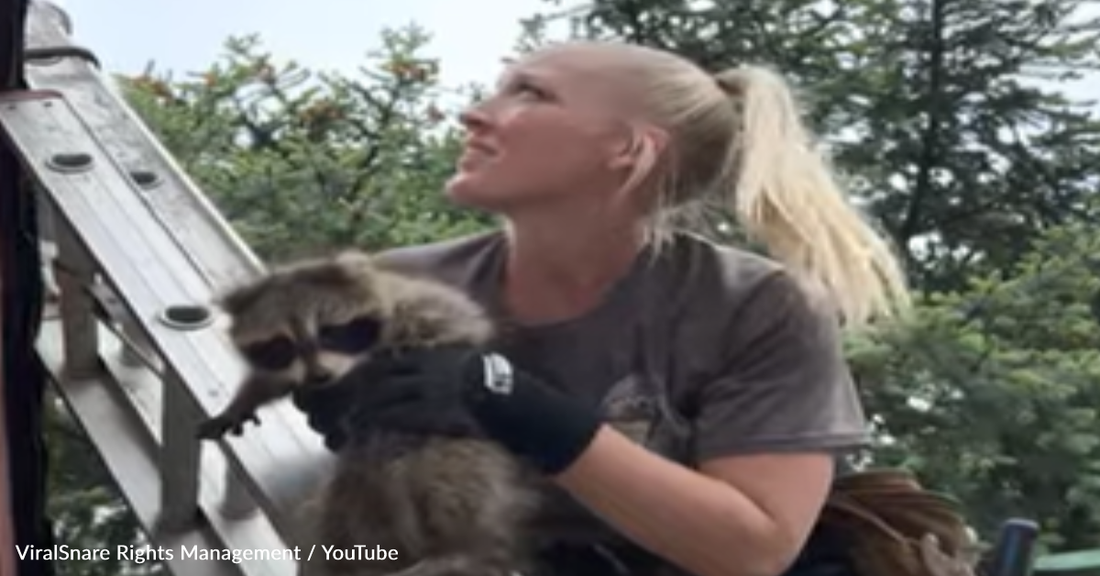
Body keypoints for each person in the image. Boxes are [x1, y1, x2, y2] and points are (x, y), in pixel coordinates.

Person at [293, 39, 911, 576]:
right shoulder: (401, 283)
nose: (474, 114)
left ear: (626, 148)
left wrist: (509, 398)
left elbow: (753, 552)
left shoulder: (755, 306)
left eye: (530, 93)